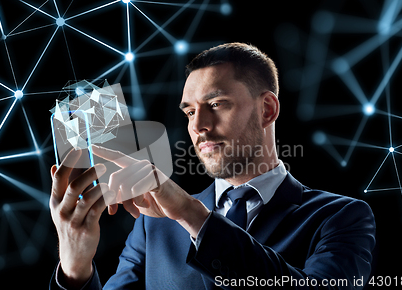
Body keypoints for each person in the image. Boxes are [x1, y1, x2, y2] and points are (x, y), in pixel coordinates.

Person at [49, 42, 376, 289]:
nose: (198, 126)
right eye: (189, 111)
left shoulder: (340, 217)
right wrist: (76, 269)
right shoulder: (153, 226)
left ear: (267, 110)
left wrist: (190, 213)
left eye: (216, 104)